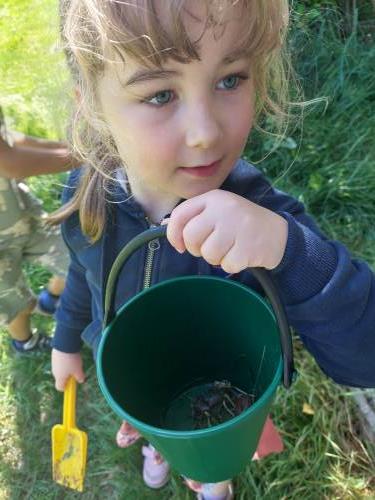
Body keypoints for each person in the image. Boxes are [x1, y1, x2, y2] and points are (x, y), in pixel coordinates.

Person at [51, 1, 375, 498]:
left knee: (212, 456)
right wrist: (67, 339)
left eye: (230, 80)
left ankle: (215, 484)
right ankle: (157, 449)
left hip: (225, 397)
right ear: (90, 107)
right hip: (143, 375)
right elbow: (84, 276)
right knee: (160, 423)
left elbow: (366, 356)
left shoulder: (258, 223)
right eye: (161, 94)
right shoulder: (86, 196)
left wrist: (288, 251)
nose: (205, 134)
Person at [0, 105, 78, 353]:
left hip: (19, 212)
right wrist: (86, 156)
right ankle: (26, 342)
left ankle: (50, 301)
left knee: (76, 258)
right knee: (14, 302)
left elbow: (8, 141)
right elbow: (10, 163)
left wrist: (69, 148)